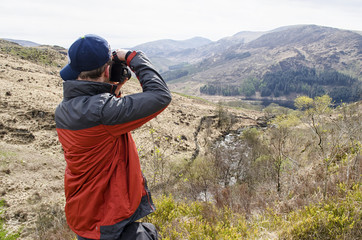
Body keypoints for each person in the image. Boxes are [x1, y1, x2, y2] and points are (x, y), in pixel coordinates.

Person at [55, 34, 172, 239]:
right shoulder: (103, 112)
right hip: (107, 217)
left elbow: (101, 124)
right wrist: (133, 57)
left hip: (85, 213)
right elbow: (160, 95)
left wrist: (113, 90)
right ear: (107, 70)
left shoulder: (65, 109)